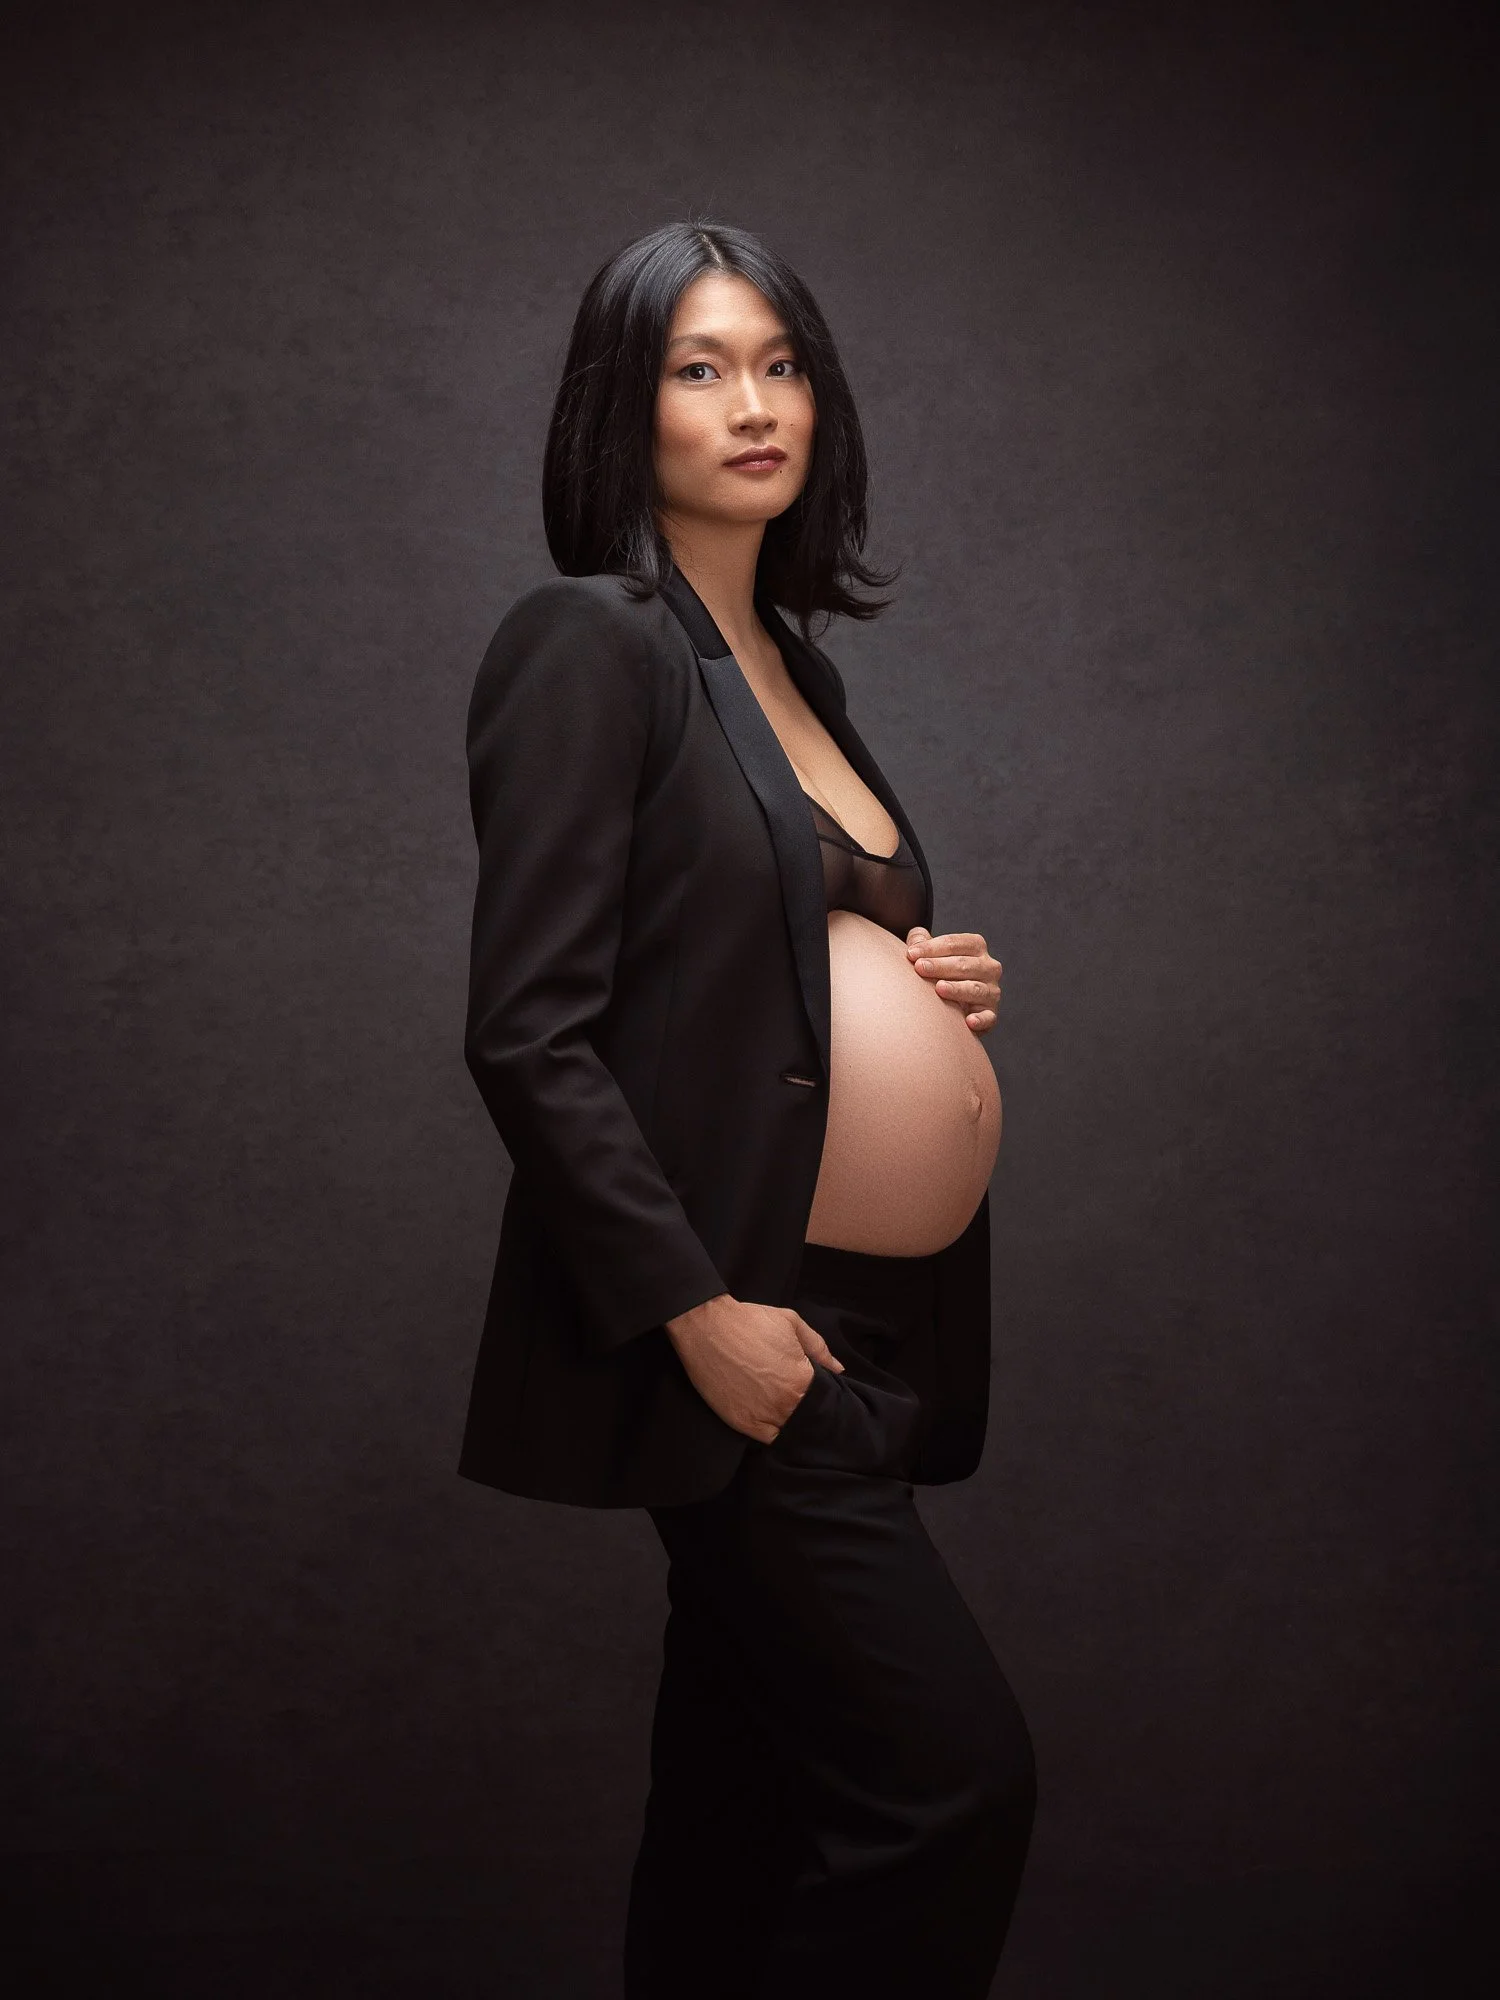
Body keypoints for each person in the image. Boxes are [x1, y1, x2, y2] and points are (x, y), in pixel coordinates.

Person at [459, 218, 1036, 1998]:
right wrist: (696, 1312)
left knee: (744, 1812)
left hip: (865, 1330)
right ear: (617, 417)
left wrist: (931, 984)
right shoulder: (590, 642)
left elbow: (767, 964)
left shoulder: (798, 667)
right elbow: (529, 1030)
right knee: (950, 1789)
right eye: (696, 370)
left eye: (778, 362)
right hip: (736, 1321)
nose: (752, 403)